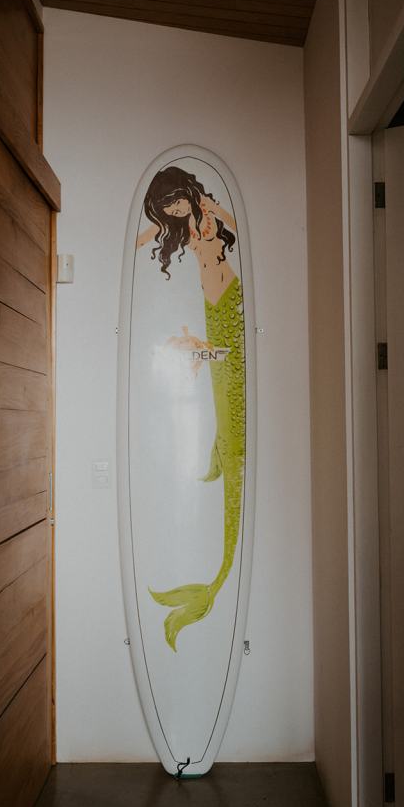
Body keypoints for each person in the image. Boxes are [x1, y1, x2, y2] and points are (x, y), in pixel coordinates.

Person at [137, 166, 246, 651]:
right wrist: (201, 349)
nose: (178, 213)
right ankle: (216, 580)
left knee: (233, 447)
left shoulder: (210, 223)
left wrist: (211, 210)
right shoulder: (187, 234)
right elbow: (151, 236)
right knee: (226, 436)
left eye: (178, 202)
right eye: (170, 210)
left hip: (230, 337)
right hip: (219, 340)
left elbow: (237, 228)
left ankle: (219, 578)